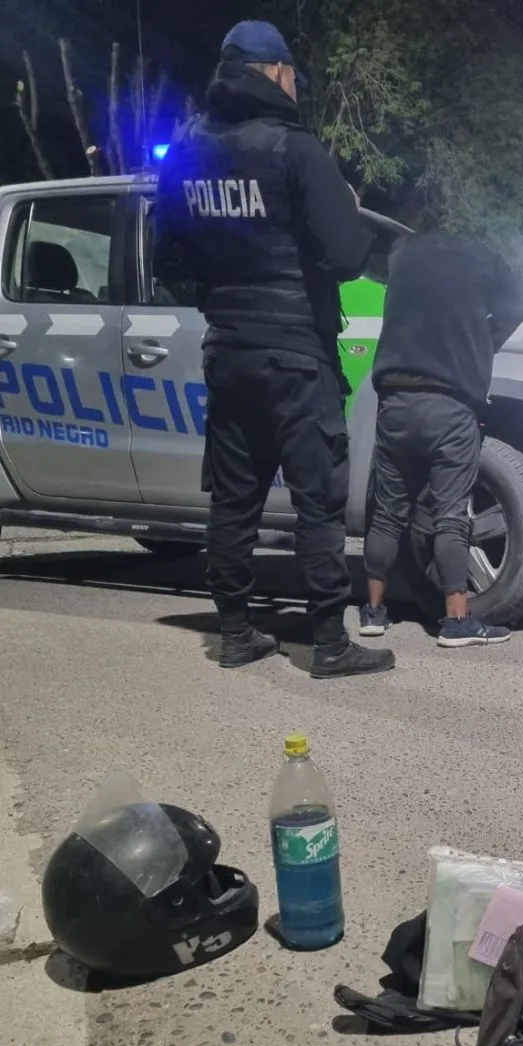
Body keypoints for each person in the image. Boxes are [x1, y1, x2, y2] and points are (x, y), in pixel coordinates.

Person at [153, 20, 394, 678]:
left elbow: (163, 257)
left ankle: (235, 632)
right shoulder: (298, 151)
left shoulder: (185, 156)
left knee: (233, 498)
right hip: (296, 353)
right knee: (318, 497)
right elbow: (347, 257)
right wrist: (341, 207)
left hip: (228, 351)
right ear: (276, 73)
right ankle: (329, 643)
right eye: (293, 76)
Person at [360, 232, 523, 647]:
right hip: (450, 404)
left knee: (387, 511)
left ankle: (373, 612)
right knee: (450, 514)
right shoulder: (479, 253)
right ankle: (457, 620)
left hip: (396, 399)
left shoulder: (402, 253)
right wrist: (488, 337)